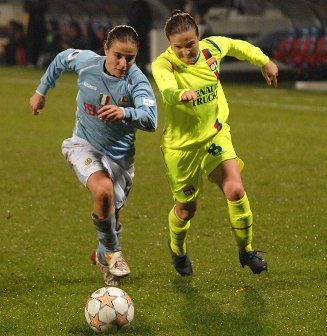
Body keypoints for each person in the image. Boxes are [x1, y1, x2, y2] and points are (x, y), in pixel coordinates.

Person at [151, 10, 278, 277]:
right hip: (182, 148)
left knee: (235, 190)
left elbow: (236, 46)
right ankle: (177, 248)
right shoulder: (163, 65)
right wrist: (178, 94)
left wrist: (263, 61)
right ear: (169, 45)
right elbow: (166, 88)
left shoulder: (212, 49)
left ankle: (247, 251)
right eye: (178, 47)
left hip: (215, 135)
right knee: (187, 210)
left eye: (190, 44)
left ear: (199, 37)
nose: (185, 51)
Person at [29, 25, 158, 286]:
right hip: (83, 144)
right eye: (118, 56)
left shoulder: (137, 81)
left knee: (112, 215)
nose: (123, 63)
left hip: (120, 158)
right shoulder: (87, 63)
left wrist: (125, 113)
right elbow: (61, 59)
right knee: (103, 191)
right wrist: (41, 91)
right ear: (106, 49)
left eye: (130, 58)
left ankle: (103, 253)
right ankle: (111, 253)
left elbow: (151, 120)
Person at [127, 0, 153, 73]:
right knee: (139, 54)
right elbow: (149, 20)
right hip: (138, 35)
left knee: (139, 54)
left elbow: (131, 20)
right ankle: (139, 71)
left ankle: (140, 71)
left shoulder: (137, 5)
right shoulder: (138, 5)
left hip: (139, 35)